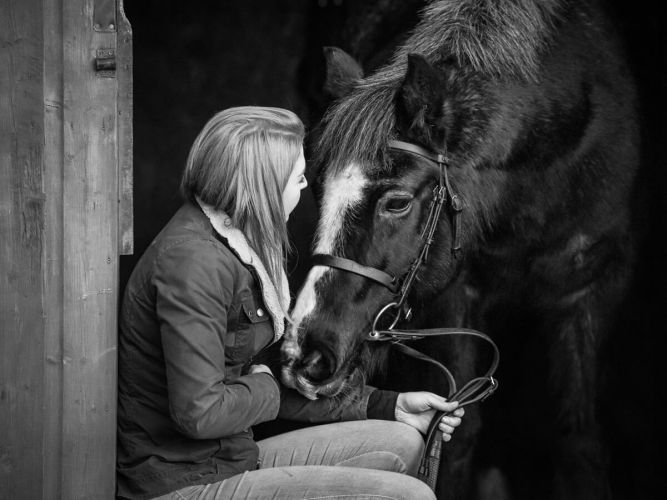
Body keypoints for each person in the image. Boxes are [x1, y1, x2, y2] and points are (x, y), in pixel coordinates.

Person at [117, 106, 465, 500]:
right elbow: (200, 413)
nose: (303, 190)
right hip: (184, 482)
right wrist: (265, 381)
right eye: (298, 178)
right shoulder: (195, 264)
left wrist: (391, 405)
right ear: (263, 186)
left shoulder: (234, 242)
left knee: (405, 441)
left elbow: (246, 385)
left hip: (228, 459)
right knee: (409, 496)